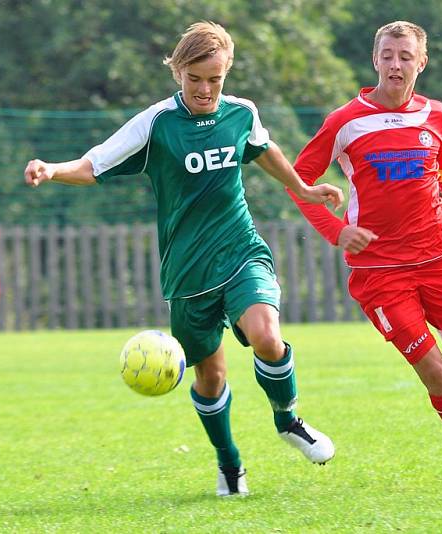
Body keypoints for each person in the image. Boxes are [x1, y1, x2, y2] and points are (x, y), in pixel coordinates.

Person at [23, 21, 342, 497]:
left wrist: (301, 188)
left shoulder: (241, 113)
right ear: (178, 73)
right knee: (212, 377)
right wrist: (52, 169)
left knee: (266, 336)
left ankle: (288, 420)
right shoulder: (156, 123)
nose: (206, 89)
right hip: (187, 272)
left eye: (215, 79)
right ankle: (229, 463)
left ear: (226, 72)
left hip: (240, 250)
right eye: (196, 79)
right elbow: (95, 165)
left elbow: (263, 148)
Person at [290, 21, 442, 487]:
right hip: (379, 275)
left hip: (438, 264)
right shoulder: (345, 120)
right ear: (375, 59)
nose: (395, 64)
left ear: (421, 63)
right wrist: (338, 232)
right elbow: (299, 182)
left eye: (405, 56)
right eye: (387, 54)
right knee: (437, 372)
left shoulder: (437, 115)